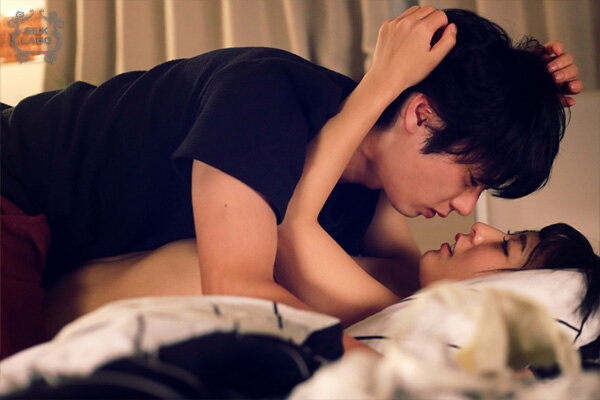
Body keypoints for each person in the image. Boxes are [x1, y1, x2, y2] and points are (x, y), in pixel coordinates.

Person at [0, 6, 583, 356]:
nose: (464, 207)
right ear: (420, 115)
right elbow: (238, 290)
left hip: (64, 261)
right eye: (471, 178)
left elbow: (410, 291)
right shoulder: (265, 99)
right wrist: (399, 378)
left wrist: (527, 93)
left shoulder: (373, 197)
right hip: (15, 193)